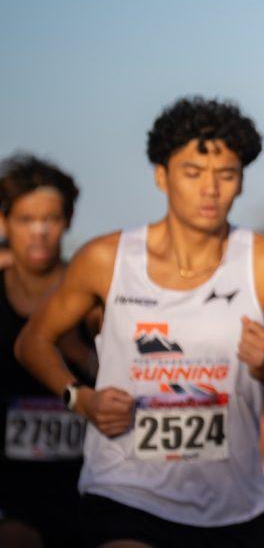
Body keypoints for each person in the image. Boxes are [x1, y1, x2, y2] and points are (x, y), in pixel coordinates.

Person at [16, 96, 264, 547]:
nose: (210, 189)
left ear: (241, 183)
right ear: (161, 176)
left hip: (233, 506)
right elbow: (33, 342)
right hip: (126, 493)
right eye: (193, 173)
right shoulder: (107, 259)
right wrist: (80, 399)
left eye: (226, 174)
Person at [0, 154, 94, 548]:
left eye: (50, 220)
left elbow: (127, 380)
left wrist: (76, 353)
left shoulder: (94, 298)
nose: (38, 232)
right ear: (5, 223)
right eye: (25, 220)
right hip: (9, 491)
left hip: (86, 485)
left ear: (68, 221)